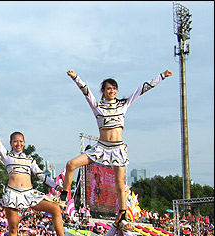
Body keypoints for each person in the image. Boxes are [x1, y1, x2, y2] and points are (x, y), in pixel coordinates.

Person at [61, 69, 173, 221]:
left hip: (117, 149)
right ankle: (63, 196)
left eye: (114, 88)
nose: (111, 91)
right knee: (71, 164)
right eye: (108, 88)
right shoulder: (98, 106)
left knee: (120, 184)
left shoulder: (123, 104)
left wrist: (162, 76)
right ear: (103, 90)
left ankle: (123, 213)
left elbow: (141, 90)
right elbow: (85, 91)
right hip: (101, 147)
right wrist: (75, 77)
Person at [0, 115, 76, 236]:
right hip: (13, 194)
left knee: (56, 209)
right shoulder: (7, 156)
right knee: (13, 228)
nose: (18, 144)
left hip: (29, 193)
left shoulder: (30, 160)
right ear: (11, 142)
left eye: (20, 141)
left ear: (24, 143)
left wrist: (56, 186)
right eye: (15, 141)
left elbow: (41, 176)